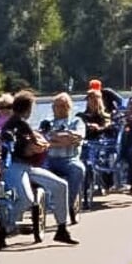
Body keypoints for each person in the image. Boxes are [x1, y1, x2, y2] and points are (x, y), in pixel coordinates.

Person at [0, 91, 78, 245]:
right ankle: (4, 228)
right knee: (26, 199)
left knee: (61, 185)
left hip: (28, 167)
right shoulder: (15, 124)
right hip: (13, 167)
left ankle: (62, 229)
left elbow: (34, 143)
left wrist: (39, 144)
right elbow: (34, 145)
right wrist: (41, 145)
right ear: (27, 109)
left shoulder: (21, 123)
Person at [39, 92, 89, 224]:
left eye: (62, 106)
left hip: (69, 159)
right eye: (56, 106)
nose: (59, 109)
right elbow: (43, 139)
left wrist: (54, 139)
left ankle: (68, 204)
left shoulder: (76, 121)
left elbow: (77, 139)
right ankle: (37, 205)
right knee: (34, 171)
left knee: (78, 169)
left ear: (68, 107)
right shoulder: (47, 122)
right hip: (49, 159)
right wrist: (64, 138)